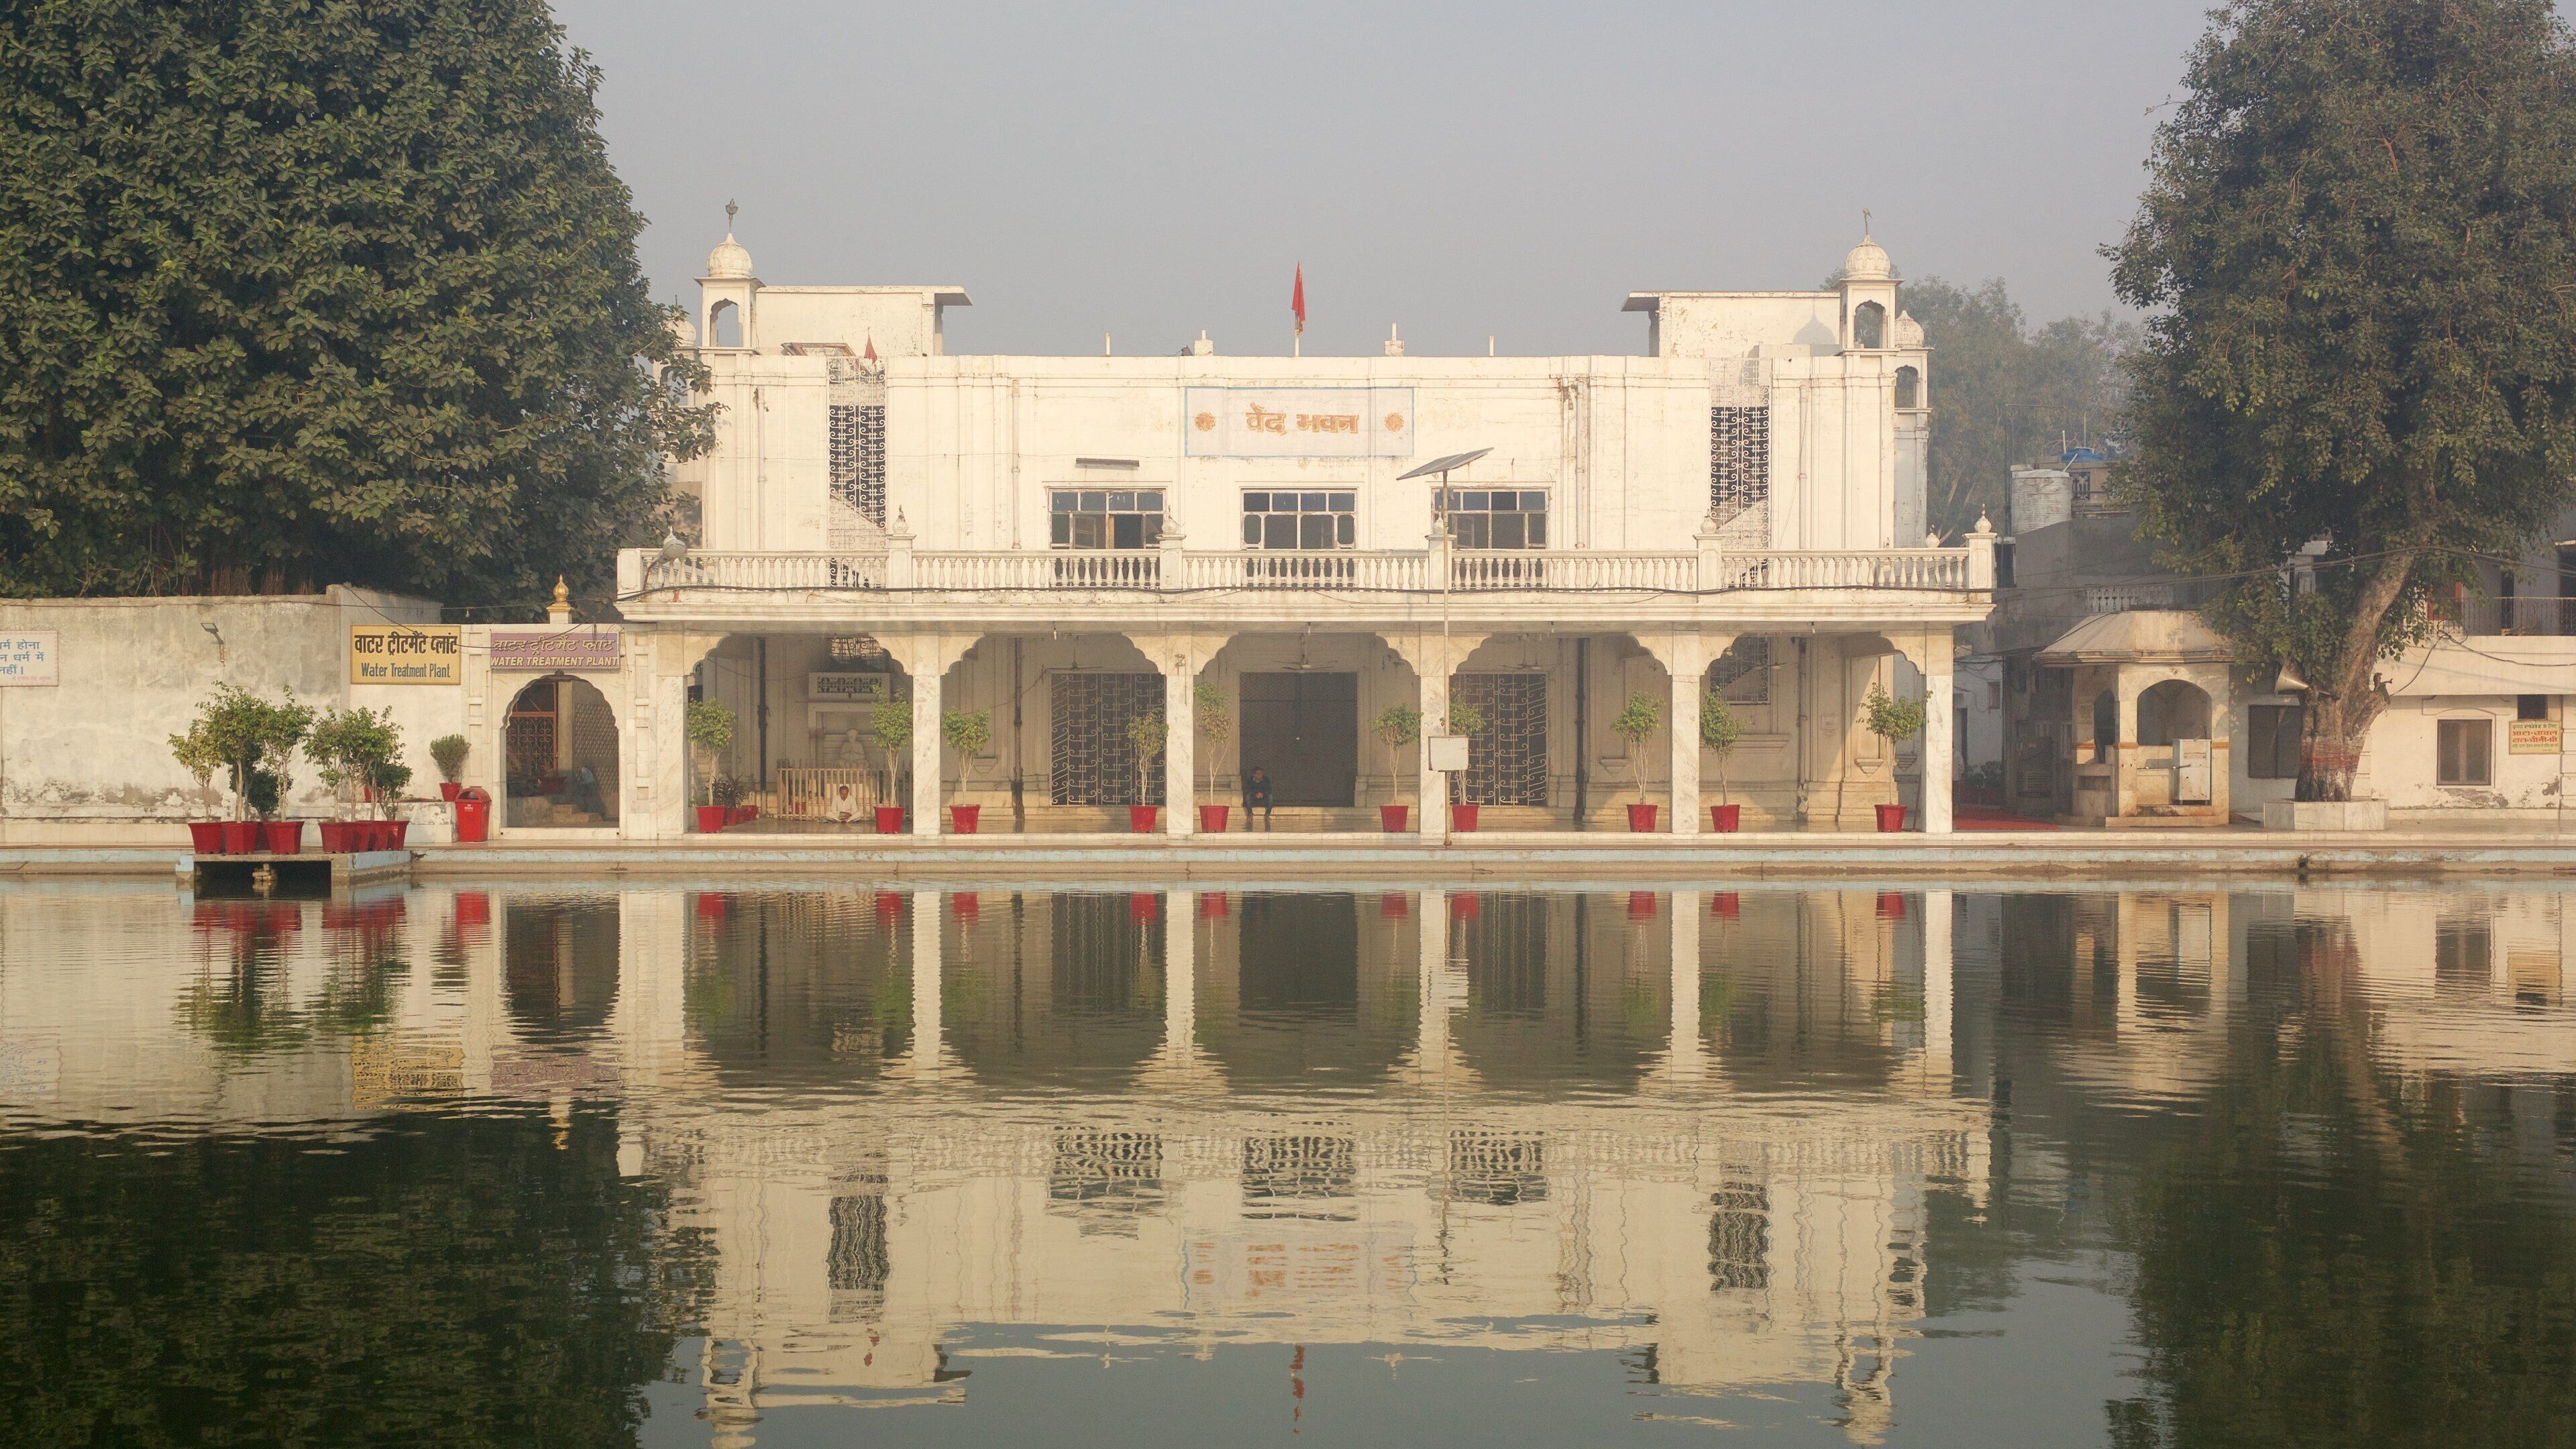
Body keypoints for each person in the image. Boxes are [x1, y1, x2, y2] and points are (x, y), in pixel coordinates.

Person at [1244, 765, 1273, 830]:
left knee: (1270, 797)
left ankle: (1267, 815)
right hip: (1254, 797)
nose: (1261, 775)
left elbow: (1269, 790)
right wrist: (1255, 794)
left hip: (1263, 797)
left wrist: (1262, 794)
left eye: (1261, 773)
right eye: (1258, 774)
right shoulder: (1250, 780)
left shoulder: (1266, 779)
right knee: (1247, 796)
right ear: (1255, 775)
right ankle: (1250, 815)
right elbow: (1247, 790)